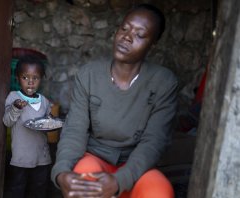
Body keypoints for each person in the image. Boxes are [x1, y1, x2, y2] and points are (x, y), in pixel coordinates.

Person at [51, 4, 177, 198]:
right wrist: (61, 172)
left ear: (154, 42)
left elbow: (154, 141)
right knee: (83, 183)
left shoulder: (163, 82)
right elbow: (74, 130)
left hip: (136, 166)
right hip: (95, 157)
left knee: (159, 192)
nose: (127, 37)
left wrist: (120, 181)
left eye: (140, 34)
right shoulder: (89, 75)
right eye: (124, 28)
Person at [3, 55, 52, 198]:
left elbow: (48, 123)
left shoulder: (44, 101)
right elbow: (7, 122)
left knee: (39, 189)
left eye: (35, 78)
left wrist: (51, 122)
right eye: (25, 78)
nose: (30, 82)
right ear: (18, 78)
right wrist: (16, 108)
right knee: (17, 189)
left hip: (42, 157)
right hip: (21, 157)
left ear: (41, 79)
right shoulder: (13, 97)